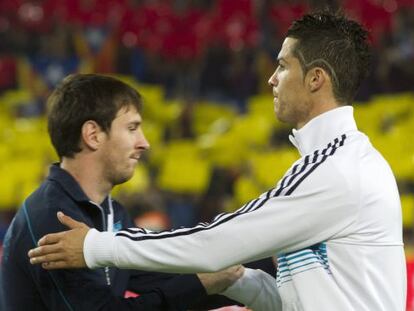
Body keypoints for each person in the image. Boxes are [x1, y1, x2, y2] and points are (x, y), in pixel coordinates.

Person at [28, 12, 406, 311]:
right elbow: (300, 303)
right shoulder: (341, 163)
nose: (272, 79)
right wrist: (240, 279)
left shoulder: (335, 169)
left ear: (316, 79)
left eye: (283, 66)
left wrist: (96, 247)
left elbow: (213, 243)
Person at [0, 73, 247, 311]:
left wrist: (259, 269)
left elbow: (163, 278)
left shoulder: (111, 211)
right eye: (132, 128)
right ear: (93, 135)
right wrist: (200, 284)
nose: (144, 143)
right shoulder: (53, 218)